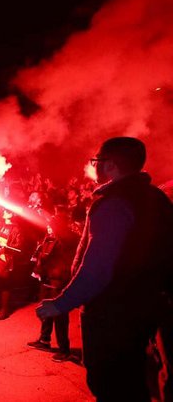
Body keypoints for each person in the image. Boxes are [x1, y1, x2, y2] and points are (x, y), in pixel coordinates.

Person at [37, 137, 173, 401]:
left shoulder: (114, 203)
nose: (94, 166)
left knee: (109, 382)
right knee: (133, 376)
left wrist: (61, 303)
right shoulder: (156, 196)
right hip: (146, 305)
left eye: (96, 161)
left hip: (113, 311)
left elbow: (99, 267)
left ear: (110, 165)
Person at [27, 207, 79, 361]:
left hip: (60, 281)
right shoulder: (52, 237)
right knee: (46, 309)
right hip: (49, 278)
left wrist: (51, 221)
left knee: (59, 314)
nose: (49, 226)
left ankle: (64, 350)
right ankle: (44, 340)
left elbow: (62, 251)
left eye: (52, 224)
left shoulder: (69, 238)